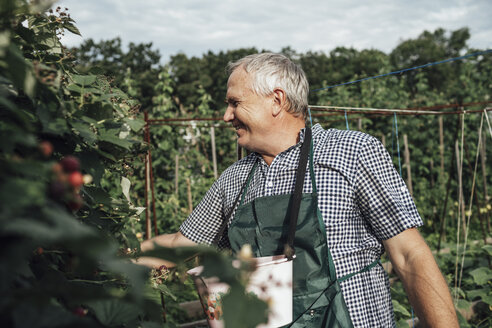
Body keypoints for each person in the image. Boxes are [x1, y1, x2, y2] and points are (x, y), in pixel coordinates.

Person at [139, 53, 458, 327]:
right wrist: (106, 260)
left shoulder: (351, 151)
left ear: (276, 100)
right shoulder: (234, 180)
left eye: (235, 103)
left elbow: (409, 254)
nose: (226, 116)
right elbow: (179, 246)